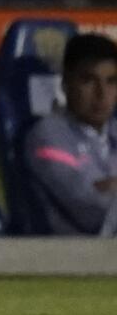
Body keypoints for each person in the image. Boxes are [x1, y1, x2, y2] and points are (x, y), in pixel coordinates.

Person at [25, 33, 117, 236]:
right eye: (89, 81)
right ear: (66, 84)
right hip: (74, 257)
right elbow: (88, 208)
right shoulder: (48, 136)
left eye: (111, 81)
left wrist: (109, 186)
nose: (102, 93)